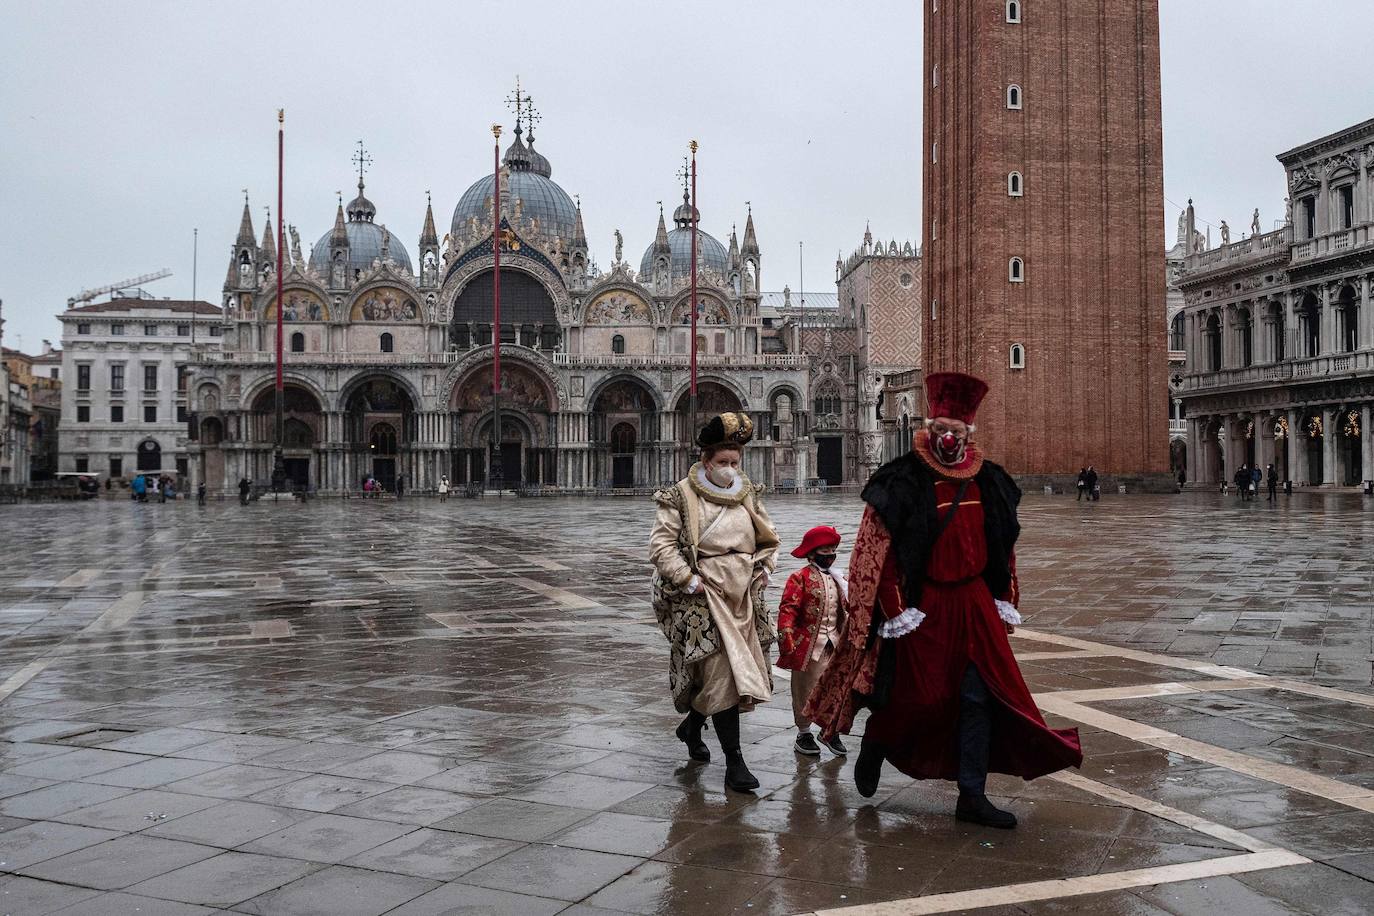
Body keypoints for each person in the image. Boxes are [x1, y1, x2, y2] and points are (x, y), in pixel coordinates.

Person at [806, 372, 1082, 829]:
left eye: (956, 430)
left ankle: (972, 795)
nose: (948, 438)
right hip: (924, 608)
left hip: (975, 605)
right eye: (940, 429)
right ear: (929, 428)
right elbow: (876, 552)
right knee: (924, 698)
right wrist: (895, 610)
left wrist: (1004, 596)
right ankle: (878, 739)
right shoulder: (901, 480)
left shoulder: (989, 480)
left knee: (982, 699)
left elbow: (1003, 546)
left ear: (969, 432)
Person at [650, 411, 780, 793]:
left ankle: (691, 728)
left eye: (735, 462)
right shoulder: (679, 496)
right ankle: (735, 763)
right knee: (722, 673)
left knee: (728, 675)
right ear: (706, 460)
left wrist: (766, 567)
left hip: (743, 596)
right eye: (723, 461)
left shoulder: (746, 493)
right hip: (703, 594)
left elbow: (768, 536)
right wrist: (687, 579)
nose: (730, 469)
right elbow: (661, 546)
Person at [777, 525, 848, 758]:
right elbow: (788, 609)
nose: (830, 555)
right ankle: (804, 733)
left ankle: (830, 730)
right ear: (811, 553)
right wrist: (787, 638)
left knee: (836, 687)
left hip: (834, 643)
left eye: (832, 551)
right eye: (825, 551)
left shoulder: (839, 579)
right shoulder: (799, 578)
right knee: (805, 688)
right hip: (807, 645)